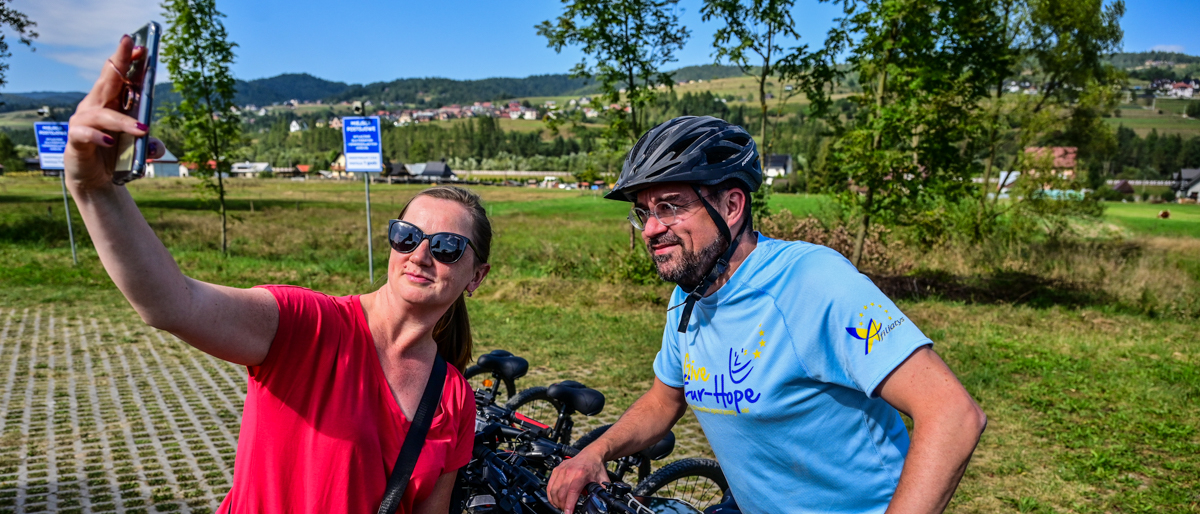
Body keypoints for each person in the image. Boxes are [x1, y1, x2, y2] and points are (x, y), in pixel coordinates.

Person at [64, 36, 491, 514]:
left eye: (449, 247)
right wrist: (95, 190)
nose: (421, 254)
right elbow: (170, 302)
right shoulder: (309, 326)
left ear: (476, 276)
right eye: (407, 235)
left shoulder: (453, 397)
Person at [547, 116, 987, 514]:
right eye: (643, 212)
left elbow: (952, 414)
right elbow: (666, 399)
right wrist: (595, 451)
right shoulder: (689, 294)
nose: (650, 229)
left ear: (732, 206)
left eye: (670, 206)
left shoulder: (813, 282)